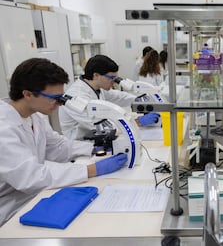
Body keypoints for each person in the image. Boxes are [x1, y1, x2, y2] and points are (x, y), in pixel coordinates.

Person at [0, 58, 128, 226]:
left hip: (35, 197)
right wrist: (92, 169)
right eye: (54, 98)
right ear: (28, 94)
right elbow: (31, 177)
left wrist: (94, 148)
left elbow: (58, 146)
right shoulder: (4, 128)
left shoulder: (34, 117)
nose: (59, 104)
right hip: (10, 210)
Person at [59, 55, 159, 140]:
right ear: (96, 75)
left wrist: (141, 101)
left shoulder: (97, 87)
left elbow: (119, 96)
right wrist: (137, 122)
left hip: (97, 139)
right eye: (111, 78)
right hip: (80, 145)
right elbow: (100, 126)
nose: (114, 82)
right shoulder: (77, 95)